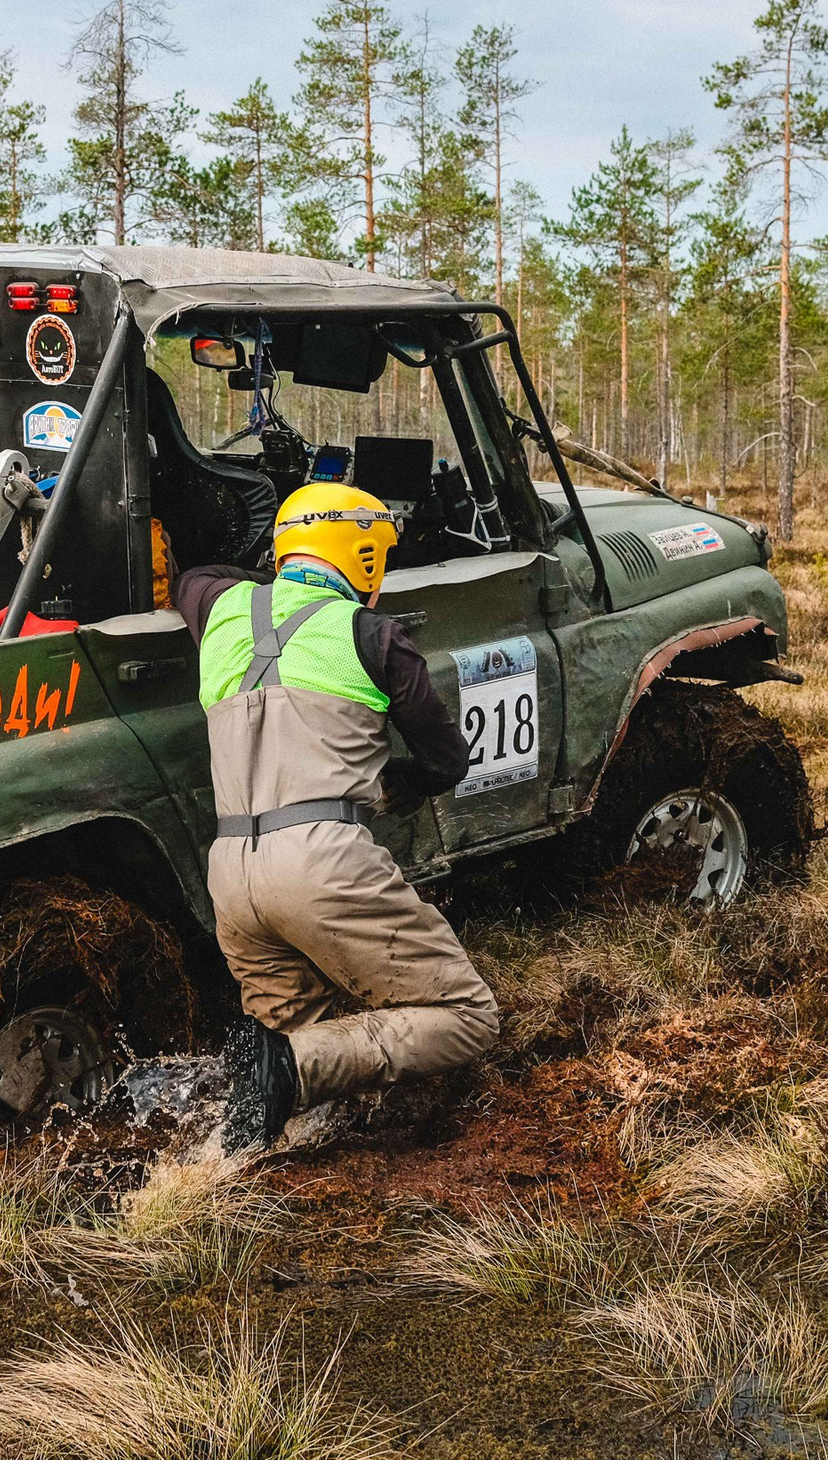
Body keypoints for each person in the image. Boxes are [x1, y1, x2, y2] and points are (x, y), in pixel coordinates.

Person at [173, 482, 497, 1153]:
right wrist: (405, 780)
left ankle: (235, 1158)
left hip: (231, 877)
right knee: (468, 1015)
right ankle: (291, 1070)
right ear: (366, 560)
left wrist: (275, 573)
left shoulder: (218, 606)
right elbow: (447, 759)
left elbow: (195, 574)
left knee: (298, 1110)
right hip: (323, 864)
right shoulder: (376, 636)